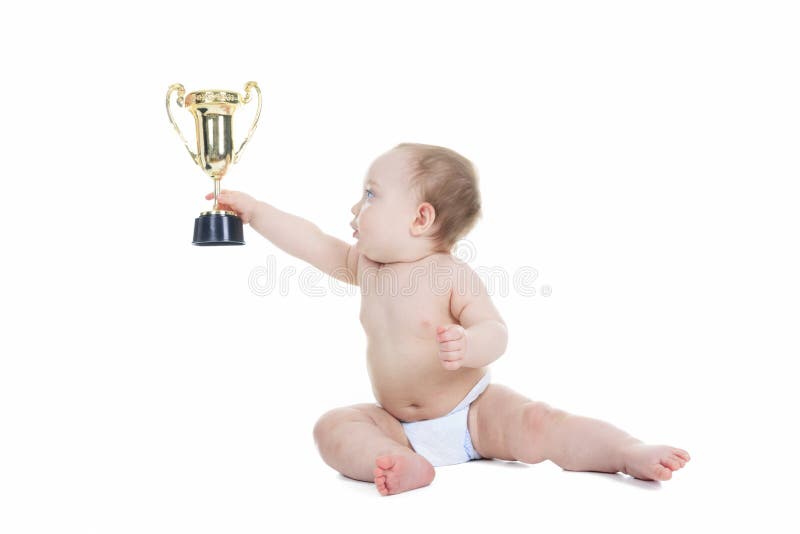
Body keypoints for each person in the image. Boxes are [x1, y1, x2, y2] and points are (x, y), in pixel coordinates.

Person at [208, 142, 690, 496]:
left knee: (543, 423)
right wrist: (255, 212)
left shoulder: (450, 275)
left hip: (474, 412)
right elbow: (310, 240)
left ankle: (627, 451)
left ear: (420, 219)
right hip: (398, 424)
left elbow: (495, 332)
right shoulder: (365, 266)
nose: (355, 207)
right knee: (332, 427)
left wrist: (470, 344)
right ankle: (394, 460)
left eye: (371, 195)